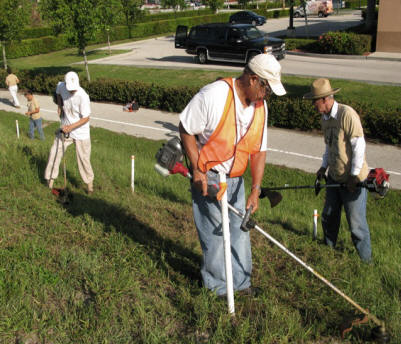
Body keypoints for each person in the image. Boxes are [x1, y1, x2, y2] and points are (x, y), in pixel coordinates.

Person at [179, 54, 286, 297]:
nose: (267, 96)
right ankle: (218, 290)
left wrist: (256, 190)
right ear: (253, 79)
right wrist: (197, 170)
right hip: (210, 177)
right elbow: (186, 128)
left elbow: (258, 150)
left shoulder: (261, 107)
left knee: (239, 232)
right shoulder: (214, 95)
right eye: (266, 89)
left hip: (237, 180)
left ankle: (241, 284)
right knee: (215, 236)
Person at [303, 78, 371, 262]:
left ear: (324, 99)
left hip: (352, 180)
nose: (312, 104)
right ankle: (328, 251)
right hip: (334, 177)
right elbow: (329, 146)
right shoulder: (325, 119)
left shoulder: (346, 114)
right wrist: (323, 167)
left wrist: (354, 176)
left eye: (314, 100)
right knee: (329, 216)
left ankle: (366, 262)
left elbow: (358, 145)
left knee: (356, 224)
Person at [44, 71, 94, 194]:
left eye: (73, 89)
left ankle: (90, 186)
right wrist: (60, 106)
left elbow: (86, 118)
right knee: (54, 152)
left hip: (81, 132)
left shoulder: (83, 96)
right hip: (65, 128)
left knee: (83, 159)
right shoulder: (61, 86)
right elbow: (58, 93)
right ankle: (49, 183)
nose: (72, 91)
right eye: (70, 89)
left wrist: (71, 127)